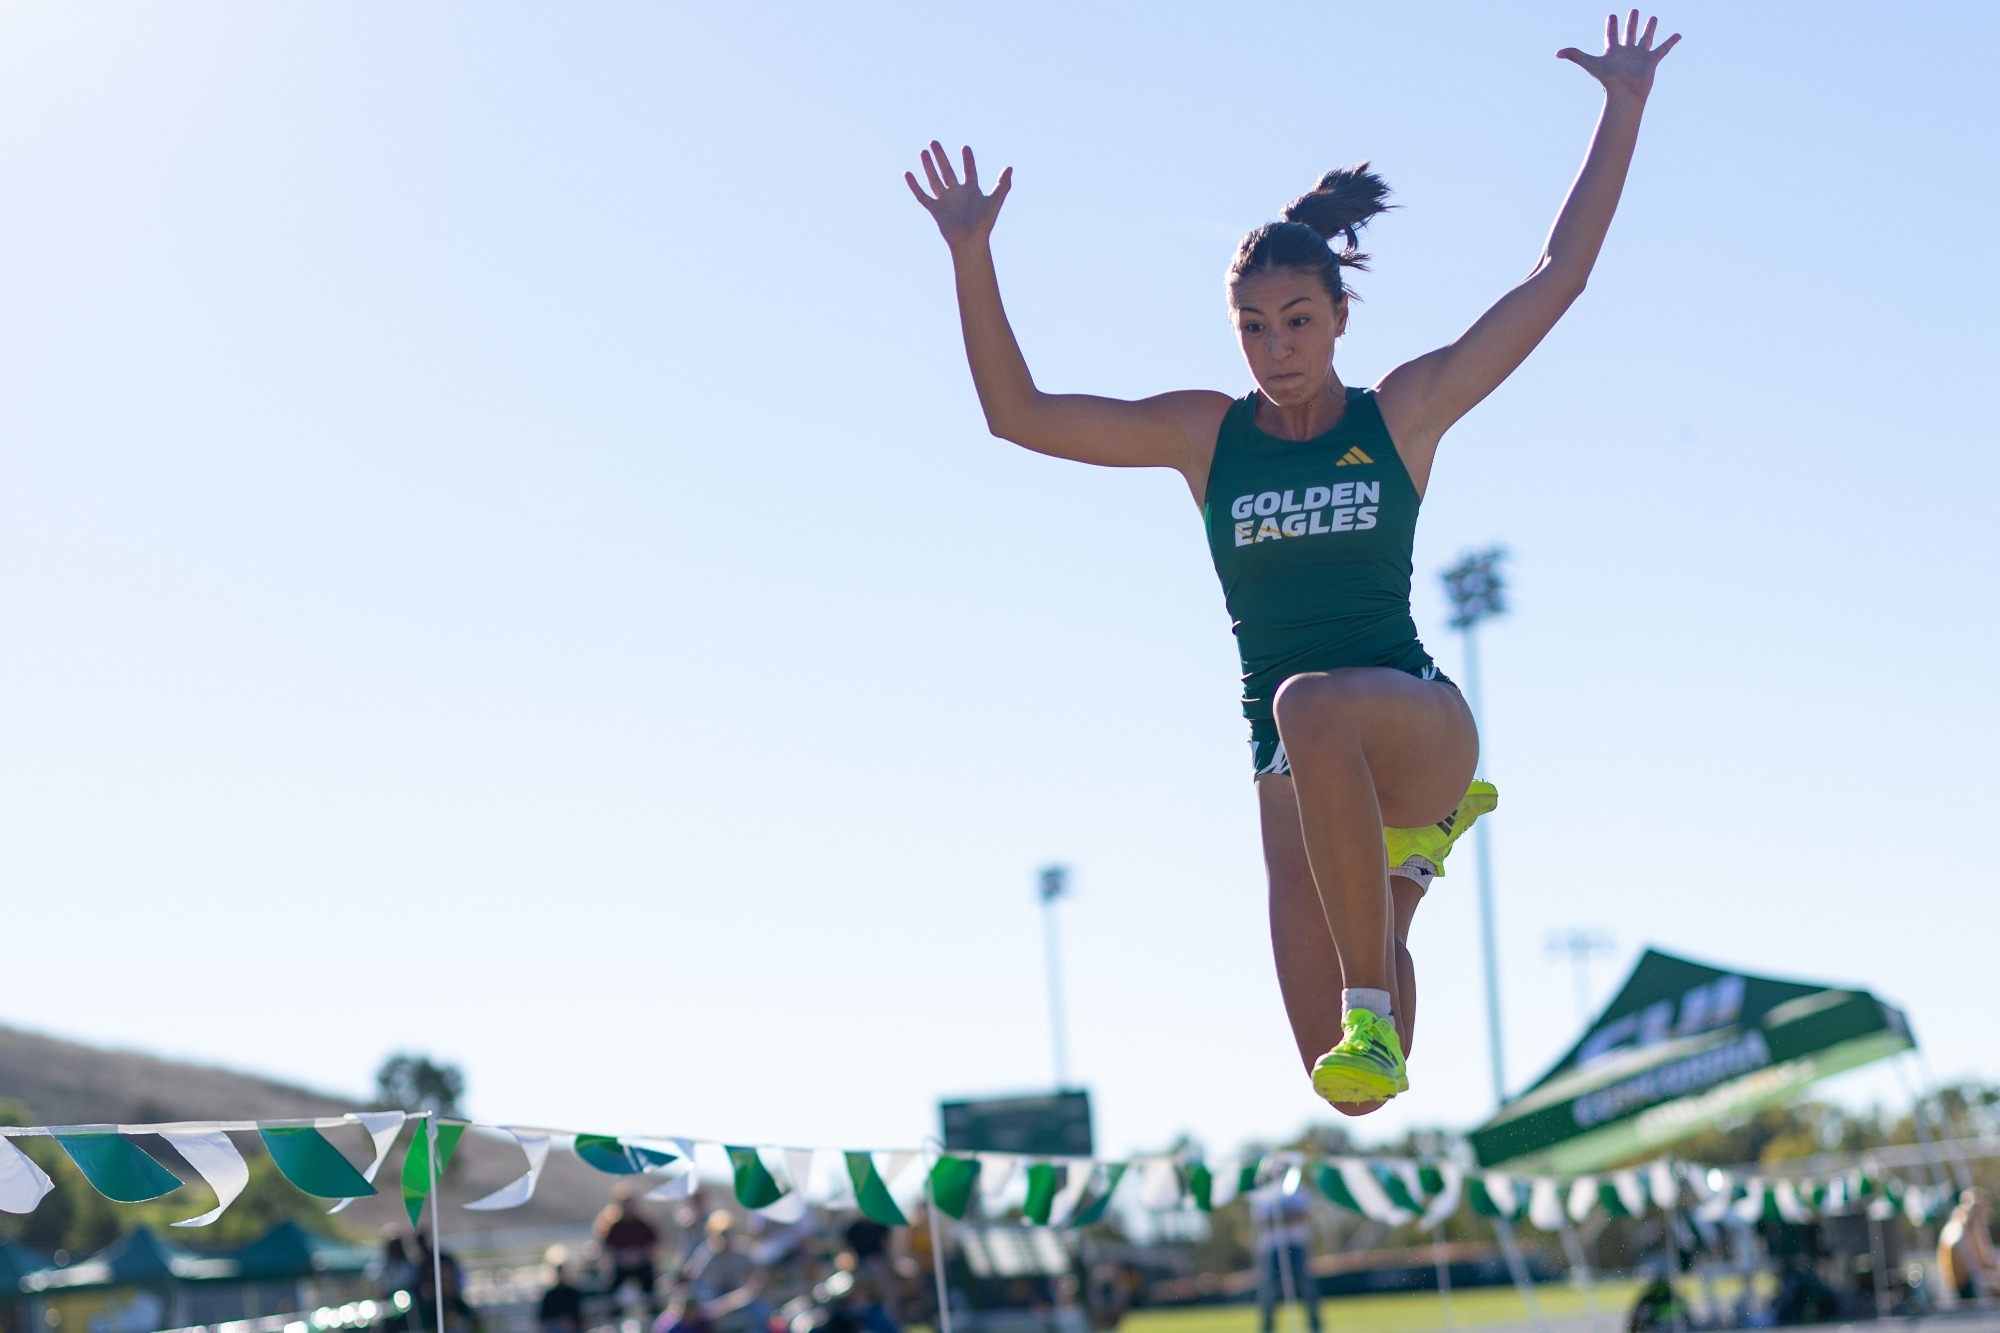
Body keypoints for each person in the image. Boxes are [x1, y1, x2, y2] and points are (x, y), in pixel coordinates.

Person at [906, 11, 1678, 1109]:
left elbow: (1556, 278)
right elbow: (1015, 414)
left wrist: (1621, 109)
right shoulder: (1201, 436)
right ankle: (1402, 883)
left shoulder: (1398, 415)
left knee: (1305, 702)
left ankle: (1407, 858)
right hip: (1289, 759)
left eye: (1298, 321)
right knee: (1352, 1088)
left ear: (1338, 315)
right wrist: (971, 256)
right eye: (1254, 328)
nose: (1277, 349)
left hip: (1405, 715)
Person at [1249, 1176, 1320, 1333]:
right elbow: (1261, 1221)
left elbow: (1303, 1215)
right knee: (1268, 1291)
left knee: (1307, 1288)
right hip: (1271, 1248)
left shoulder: (1298, 1189)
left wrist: (1282, 1216)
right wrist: (1283, 1216)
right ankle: (1267, 1329)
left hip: (1296, 1245)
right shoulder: (1262, 1193)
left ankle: (1315, 1327)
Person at [596, 1188, 664, 1313]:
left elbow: (653, 1244)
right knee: (613, 1287)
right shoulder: (613, 1226)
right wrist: (622, 1256)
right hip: (621, 1266)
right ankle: (614, 1314)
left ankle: (653, 1312)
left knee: (649, 1282)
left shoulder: (643, 1224)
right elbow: (607, 1246)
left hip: (641, 1264)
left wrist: (639, 1254)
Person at [1940, 1188, 2000, 1302]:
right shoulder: (1958, 1230)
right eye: (1978, 1209)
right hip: (1964, 1288)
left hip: (1969, 1283)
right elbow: (1971, 1268)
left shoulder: (1966, 1228)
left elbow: (1984, 1261)